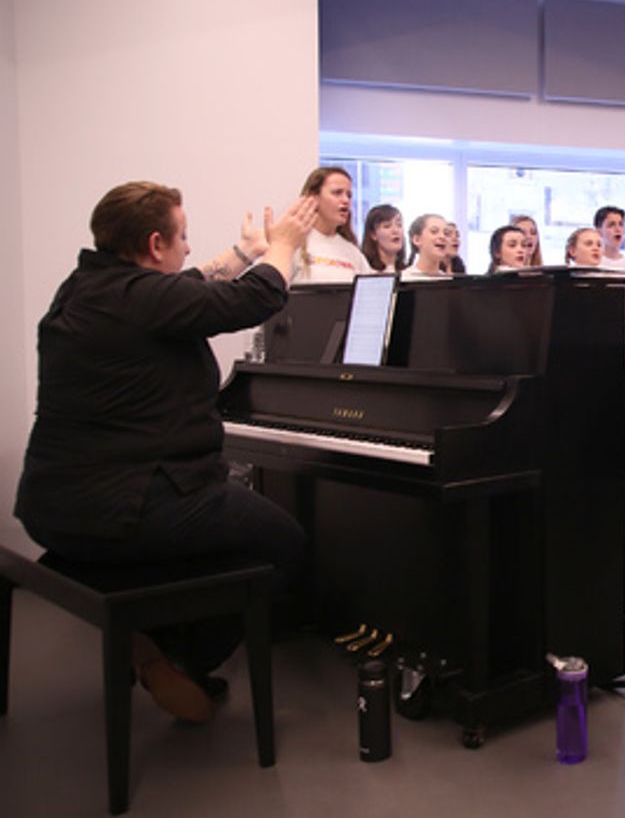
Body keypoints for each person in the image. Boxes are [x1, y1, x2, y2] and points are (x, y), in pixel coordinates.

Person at [14, 181, 316, 724]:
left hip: (52, 507)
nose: (187, 248)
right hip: (125, 507)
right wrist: (284, 245)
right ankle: (180, 658)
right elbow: (257, 298)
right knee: (282, 541)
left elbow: (190, 283)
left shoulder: (86, 287)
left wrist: (245, 252)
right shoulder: (145, 298)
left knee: (228, 522)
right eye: (182, 237)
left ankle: (155, 634)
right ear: (156, 244)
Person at [291, 166, 372, 283]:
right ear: (314, 198)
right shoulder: (294, 245)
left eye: (349, 195)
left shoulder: (353, 253)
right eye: (337, 193)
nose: (346, 200)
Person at [594, 205, 625, 279]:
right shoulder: (592, 266)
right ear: (598, 231)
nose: (618, 229)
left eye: (621, 224)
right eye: (611, 225)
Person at [401, 214, 453, 281]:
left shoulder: (448, 281)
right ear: (417, 240)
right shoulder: (404, 279)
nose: (442, 237)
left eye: (446, 233)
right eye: (434, 231)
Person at [360, 204, 406, 273]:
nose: (395, 230)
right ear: (373, 234)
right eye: (387, 226)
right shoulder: (364, 270)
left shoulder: (408, 273)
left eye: (399, 225)